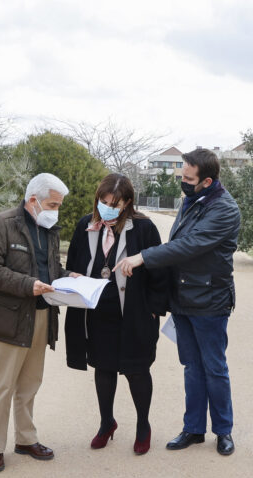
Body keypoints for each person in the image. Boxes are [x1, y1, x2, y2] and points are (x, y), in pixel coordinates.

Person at [114, 148, 240, 456]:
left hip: (210, 300)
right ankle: (193, 428)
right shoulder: (191, 201)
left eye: (187, 177)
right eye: (181, 175)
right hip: (183, 298)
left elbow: (188, 246)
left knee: (214, 367)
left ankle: (223, 431)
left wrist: (143, 256)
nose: (181, 181)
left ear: (207, 181)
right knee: (191, 367)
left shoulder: (225, 209)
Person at [0, 172, 75, 473]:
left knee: (30, 383)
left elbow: (49, 266)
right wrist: (27, 284)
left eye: (58, 205)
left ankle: (25, 439)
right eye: (52, 203)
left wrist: (68, 276)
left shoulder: (50, 228)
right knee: (4, 385)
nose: (55, 210)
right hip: (9, 317)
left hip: (42, 314)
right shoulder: (2, 223)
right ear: (33, 200)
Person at [65, 174, 169, 455]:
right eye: (103, 201)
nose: (107, 207)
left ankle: (143, 426)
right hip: (98, 312)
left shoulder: (144, 228)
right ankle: (106, 422)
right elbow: (73, 262)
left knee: (137, 370)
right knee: (103, 367)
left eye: (115, 203)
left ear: (127, 203)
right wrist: (71, 274)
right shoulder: (85, 225)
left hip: (135, 312)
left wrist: (153, 310)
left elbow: (159, 270)